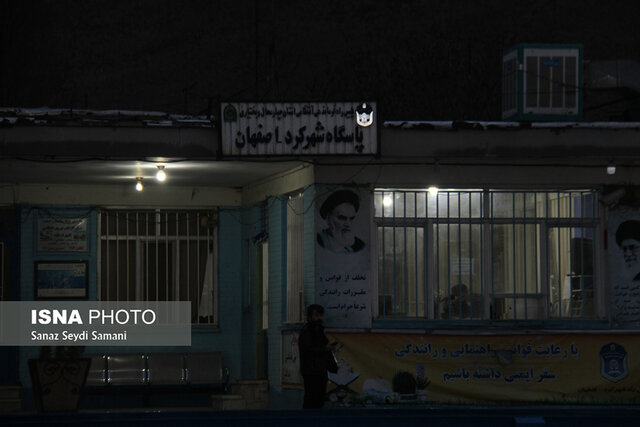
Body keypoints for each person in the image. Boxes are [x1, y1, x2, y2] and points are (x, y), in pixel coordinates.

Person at [298, 304, 337, 409]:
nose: (319, 318)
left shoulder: (319, 330)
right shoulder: (307, 331)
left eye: (320, 315)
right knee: (312, 398)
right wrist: (325, 348)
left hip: (320, 370)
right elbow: (307, 350)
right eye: (316, 315)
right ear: (310, 317)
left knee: (319, 399)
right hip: (311, 371)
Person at [317, 189, 365, 254]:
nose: (348, 224)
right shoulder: (319, 241)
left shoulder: (359, 245)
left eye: (351, 218)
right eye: (342, 218)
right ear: (328, 219)